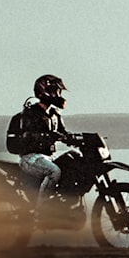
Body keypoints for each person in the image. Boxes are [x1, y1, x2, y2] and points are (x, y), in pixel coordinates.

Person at [16, 74, 77, 208]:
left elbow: (64, 132)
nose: (58, 94)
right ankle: (42, 209)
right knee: (54, 172)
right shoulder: (30, 113)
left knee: (73, 161)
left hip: (48, 157)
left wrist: (77, 138)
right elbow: (29, 134)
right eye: (55, 91)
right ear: (44, 92)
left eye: (58, 91)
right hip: (30, 158)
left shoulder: (55, 114)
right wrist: (50, 136)